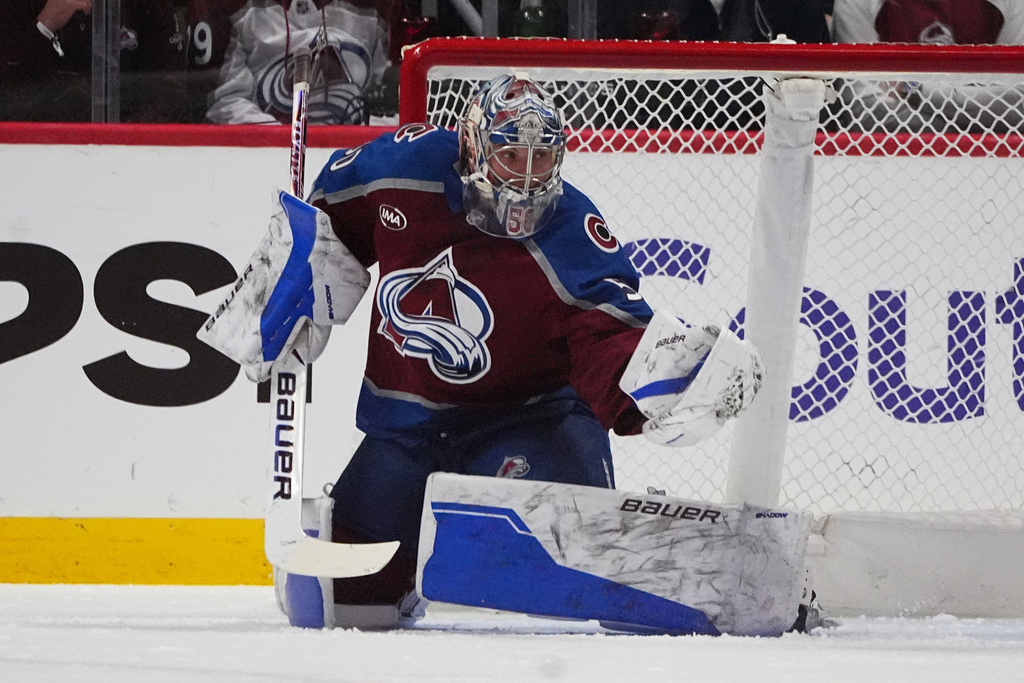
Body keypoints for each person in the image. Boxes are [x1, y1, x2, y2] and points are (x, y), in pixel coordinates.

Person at [198, 74, 763, 629]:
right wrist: (288, 282)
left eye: (541, 157)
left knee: (586, 557)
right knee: (337, 603)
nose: (525, 175)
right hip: (407, 429)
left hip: (530, 422)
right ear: (471, 145)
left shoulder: (572, 235)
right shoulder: (402, 170)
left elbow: (609, 339)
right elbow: (329, 213)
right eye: (510, 153)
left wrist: (664, 384)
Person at [831, 0, 1024, 132]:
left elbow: (1018, 107)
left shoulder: (1011, 4)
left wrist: (914, 91)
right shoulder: (860, 3)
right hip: (889, 164)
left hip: (994, 164)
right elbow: (864, 114)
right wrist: (976, 123)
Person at [203, 0, 393, 125]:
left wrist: (354, 140)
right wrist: (281, 141)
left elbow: (393, 105)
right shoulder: (228, 6)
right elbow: (224, 102)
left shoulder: (379, 5)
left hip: (355, 152)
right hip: (264, 157)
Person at [0, 0, 187, 122]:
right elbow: (8, 86)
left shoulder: (150, 6)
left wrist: (125, 139)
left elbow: (168, 91)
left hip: (128, 154)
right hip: (37, 148)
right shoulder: (16, 5)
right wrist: (46, 24)